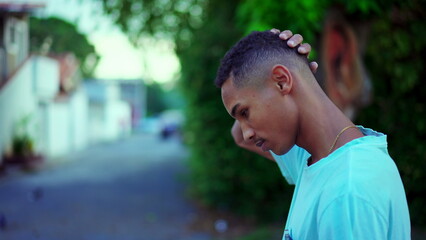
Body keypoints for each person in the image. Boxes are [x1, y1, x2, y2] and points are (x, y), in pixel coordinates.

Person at [215, 30, 410, 239]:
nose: (246, 134)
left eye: (245, 112)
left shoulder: (347, 191)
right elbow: (238, 137)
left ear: (282, 81)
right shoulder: (314, 157)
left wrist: (287, 63)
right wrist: (281, 58)